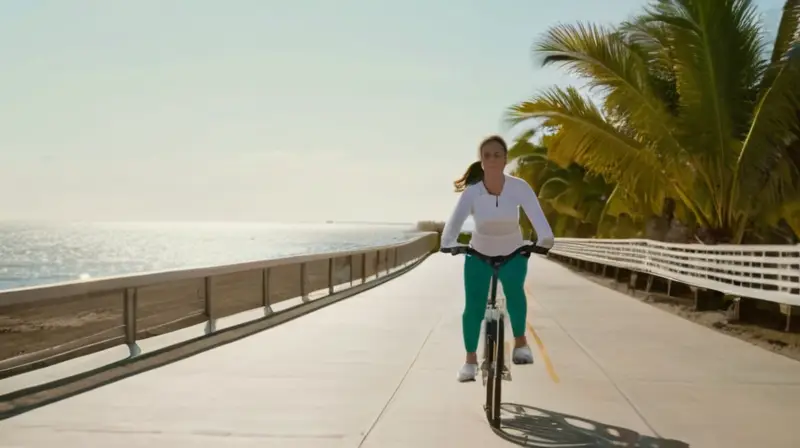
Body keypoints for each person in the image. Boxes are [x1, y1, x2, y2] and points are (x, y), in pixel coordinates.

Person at [440, 134, 555, 383]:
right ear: (481, 161)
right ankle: (470, 360)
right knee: (473, 308)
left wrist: (544, 241)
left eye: (497, 155)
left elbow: (538, 219)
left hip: (513, 252)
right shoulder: (472, 192)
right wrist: (449, 243)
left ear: (505, 159)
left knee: (514, 292)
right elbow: (454, 222)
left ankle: (521, 342)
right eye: (486, 155)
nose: (492, 159)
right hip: (478, 254)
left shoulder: (519, 187)